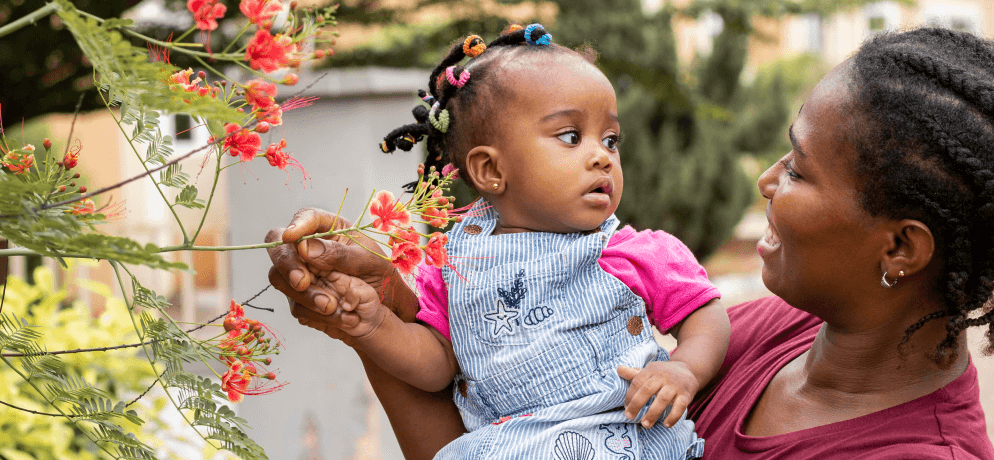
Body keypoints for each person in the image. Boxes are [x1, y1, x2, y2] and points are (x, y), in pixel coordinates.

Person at [266, 27, 994, 459]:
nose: (763, 181)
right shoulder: (756, 338)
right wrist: (373, 317)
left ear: (899, 248)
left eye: (797, 169)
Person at [275, 23, 731, 459]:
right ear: (491, 170)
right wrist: (377, 328)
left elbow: (705, 313)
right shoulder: (453, 263)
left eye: (611, 140)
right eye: (571, 136)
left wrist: (682, 367)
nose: (601, 157)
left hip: (623, 443)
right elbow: (438, 367)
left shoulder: (635, 252)